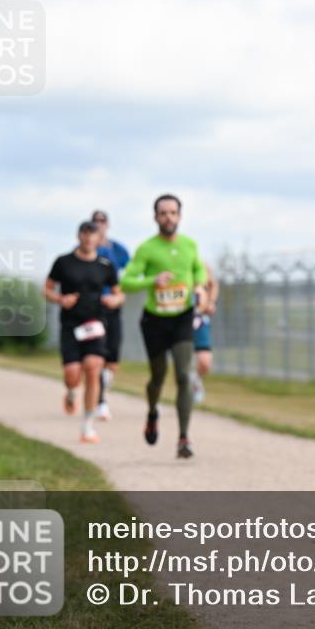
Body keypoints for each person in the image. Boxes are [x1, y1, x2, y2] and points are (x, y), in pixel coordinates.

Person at [120, 193, 207, 459]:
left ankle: (183, 438)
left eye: (172, 212)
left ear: (179, 216)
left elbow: (198, 271)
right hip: (155, 320)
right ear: (155, 217)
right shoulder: (147, 248)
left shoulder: (190, 245)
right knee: (158, 376)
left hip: (182, 317)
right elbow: (126, 282)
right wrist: (151, 281)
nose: (168, 217)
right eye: (163, 213)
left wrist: (200, 287)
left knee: (183, 375)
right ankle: (153, 411)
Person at [43, 221, 124, 443]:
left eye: (93, 235)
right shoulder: (63, 262)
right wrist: (60, 299)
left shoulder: (106, 265)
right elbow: (47, 289)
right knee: (72, 374)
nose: (88, 239)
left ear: (98, 239)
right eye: (85, 235)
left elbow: (119, 294)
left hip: (95, 323)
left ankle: (87, 425)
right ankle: (70, 392)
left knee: (93, 368)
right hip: (70, 325)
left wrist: (113, 300)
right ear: (79, 236)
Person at [90, 209, 131, 421]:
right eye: (95, 221)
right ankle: (101, 401)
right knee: (97, 355)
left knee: (112, 358)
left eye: (102, 221)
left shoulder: (118, 250)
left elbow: (131, 274)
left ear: (108, 224)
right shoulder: (86, 251)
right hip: (93, 309)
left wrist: (119, 296)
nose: (99, 224)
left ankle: (104, 382)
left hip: (113, 306)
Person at [190, 261, 219, 404]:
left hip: (199, 321)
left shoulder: (201, 266)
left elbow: (213, 284)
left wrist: (211, 302)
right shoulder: (179, 271)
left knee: (205, 362)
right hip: (179, 321)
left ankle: (196, 380)